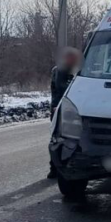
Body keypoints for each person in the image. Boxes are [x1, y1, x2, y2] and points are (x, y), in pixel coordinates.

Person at [47, 47, 82, 179]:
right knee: (58, 138)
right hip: (60, 109)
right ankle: (55, 168)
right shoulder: (60, 71)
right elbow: (59, 89)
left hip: (71, 109)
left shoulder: (75, 71)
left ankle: (66, 165)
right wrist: (56, 106)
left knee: (72, 139)